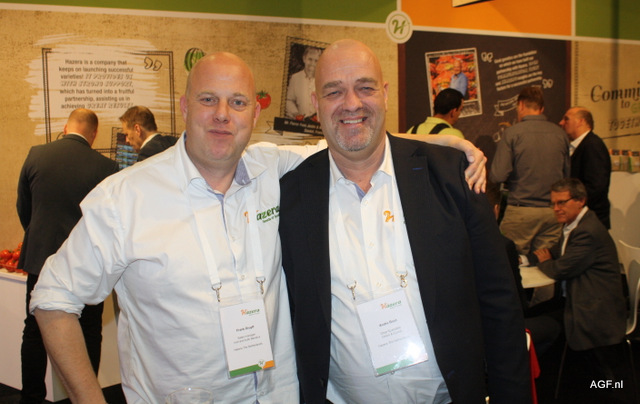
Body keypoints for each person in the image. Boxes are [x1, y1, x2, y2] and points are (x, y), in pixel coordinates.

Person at [30, 52, 486, 403]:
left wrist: (446, 145)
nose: (222, 114)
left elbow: (353, 138)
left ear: (254, 114)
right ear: (185, 106)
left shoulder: (275, 170)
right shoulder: (124, 198)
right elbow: (52, 300)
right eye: (208, 100)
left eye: (238, 102)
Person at [279, 39, 530, 404]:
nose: (352, 103)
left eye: (365, 88)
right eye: (334, 92)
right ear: (316, 104)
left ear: (384, 94)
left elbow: (500, 302)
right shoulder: (291, 195)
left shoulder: (453, 177)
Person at [16, 108, 119, 404]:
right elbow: (109, 220)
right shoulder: (106, 166)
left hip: (41, 257)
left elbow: (24, 206)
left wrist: (39, 239)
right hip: (87, 264)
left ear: (65, 127)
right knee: (89, 331)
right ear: (94, 134)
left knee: (34, 330)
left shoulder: (36, 154)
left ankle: (31, 397)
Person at [523, 178, 628, 401]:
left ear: (581, 201)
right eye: (553, 203)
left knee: (528, 326)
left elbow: (561, 268)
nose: (556, 209)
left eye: (561, 202)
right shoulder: (574, 224)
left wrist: (545, 262)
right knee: (527, 315)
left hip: (593, 309)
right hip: (574, 299)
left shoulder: (587, 230)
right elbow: (557, 252)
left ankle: (611, 393)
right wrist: (533, 258)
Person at [490, 86, 570, 254]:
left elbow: (498, 175)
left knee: (511, 261)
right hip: (552, 212)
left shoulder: (512, 133)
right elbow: (567, 176)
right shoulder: (560, 134)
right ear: (541, 108)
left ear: (520, 105)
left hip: (521, 211)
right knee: (545, 262)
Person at [559, 107, 611, 228]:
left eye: (566, 119)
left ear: (580, 121)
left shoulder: (592, 145)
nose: (561, 123)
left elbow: (597, 185)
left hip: (590, 220)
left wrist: (573, 203)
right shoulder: (582, 145)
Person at [285, 46, 322, 120]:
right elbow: (289, 100)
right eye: (310, 59)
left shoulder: (323, 80)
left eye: (316, 61)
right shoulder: (295, 78)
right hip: (300, 121)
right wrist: (296, 114)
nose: (312, 63)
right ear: (304, 58)